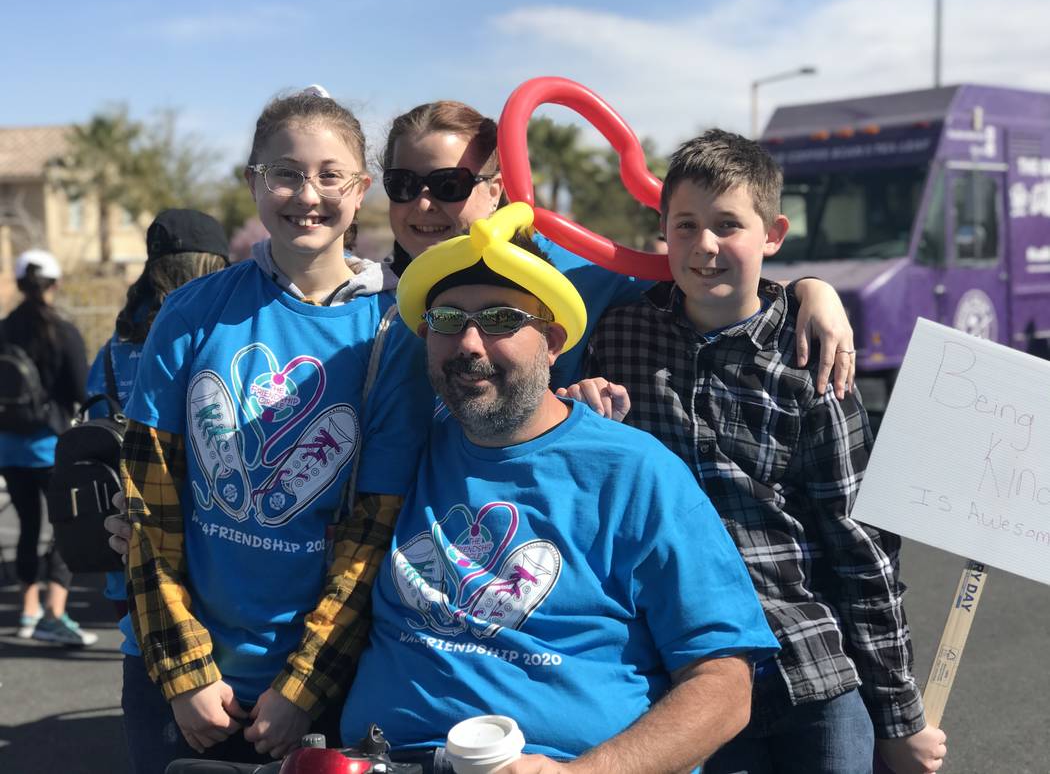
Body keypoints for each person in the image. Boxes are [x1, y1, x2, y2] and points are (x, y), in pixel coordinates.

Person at [340, 203, 781, 772]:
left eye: (500, 320)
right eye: (448, 321)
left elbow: (724, 684)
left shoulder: (635, 473)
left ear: (552, 342)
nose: (470, 343)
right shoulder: (403, 449)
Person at [585, 129, 948, 774]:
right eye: (686, 225)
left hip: (806, 664)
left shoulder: (814, 358)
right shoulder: (618, 334)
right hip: (683, 671)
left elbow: (861, 549)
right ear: (662, 229)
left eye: (729, 225)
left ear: (773, 234)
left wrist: (898, 715)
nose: (705, 245)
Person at [119, 88, 433, 774]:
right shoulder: (193, 313)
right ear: (252, 182)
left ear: (361, 190)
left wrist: (301, 686)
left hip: (318, 688)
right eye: (285, 173)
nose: (306, 194)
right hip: (177, 682)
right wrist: (185, 674)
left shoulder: (392, 333)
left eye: (330, 175)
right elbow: (151, 512)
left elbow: (370, 538)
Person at [379, 100, 858, 397]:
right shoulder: (369, 295)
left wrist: (808, 292)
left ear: (497, 188)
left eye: (448, 184)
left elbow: (706, 282)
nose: (422, 203)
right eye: (401, 184)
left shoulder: (579, 274)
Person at [85, 209, 229, 645]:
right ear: (212, 265)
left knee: (143, 650)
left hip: (126, 533)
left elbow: (94, 422)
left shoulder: (117, 344)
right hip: (210, 540)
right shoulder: (214, 334)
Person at [0, 248, 95, 646]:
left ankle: (28, 610)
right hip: (51, 446)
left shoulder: (2, 329)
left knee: (26, 527)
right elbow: (81, 391)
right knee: (65, 526)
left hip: (8, 446)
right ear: (54, 284)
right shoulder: (64, 332)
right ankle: (55, 613)